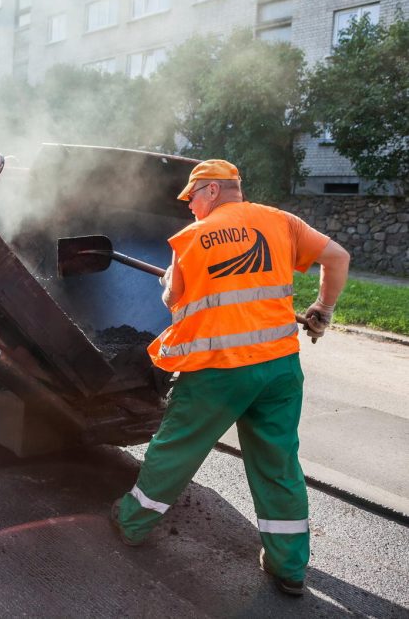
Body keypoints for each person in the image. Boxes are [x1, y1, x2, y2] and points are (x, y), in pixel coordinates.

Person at [111, 159, 350, 596]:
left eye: (192, 197)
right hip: (279, 368)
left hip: (218, 370)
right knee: (278, 463)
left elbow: (172, 300)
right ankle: (289, 566)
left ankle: (131, 521)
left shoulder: (192, 239)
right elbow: (338, 257)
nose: (190, 207)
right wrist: (323, 310)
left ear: (213, 191)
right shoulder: (281, 222)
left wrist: (169, 278)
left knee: (176, 449)